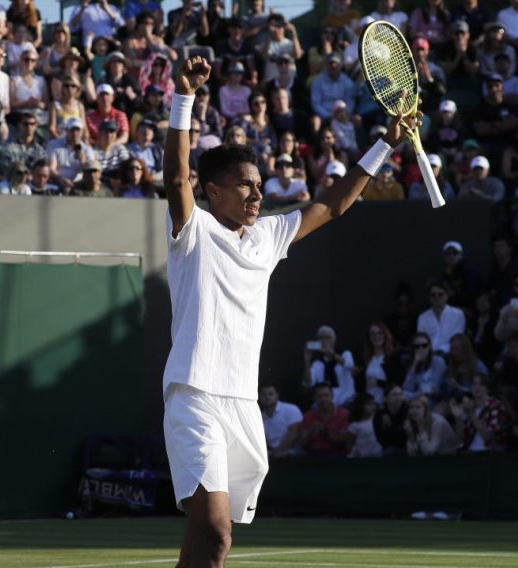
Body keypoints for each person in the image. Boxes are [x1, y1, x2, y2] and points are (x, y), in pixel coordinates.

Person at [160, 56, 410, 566]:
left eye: (258, 184)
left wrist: (386, 142)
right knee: (215, 530)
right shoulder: (194, 230)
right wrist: (184, 98)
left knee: (211, 541)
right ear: (213, 192)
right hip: (194, 394)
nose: (257, 192)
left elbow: (335, 204)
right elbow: (176, 180)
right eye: (244, 185)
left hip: (243, 403)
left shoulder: (269, 236)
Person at [416, 281, 465, 354]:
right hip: (429, 356)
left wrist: (441, 351)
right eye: (433, 295)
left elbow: (458, 339)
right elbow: (421, 341)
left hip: (452, 354)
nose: (437, 297)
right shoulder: (422, 317)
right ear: (429, 298)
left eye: (440, 294)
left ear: (447, 296)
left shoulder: (458, 314)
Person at [257, 383, 302, 457]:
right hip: (271, 453)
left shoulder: (291, 409)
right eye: (263, 394)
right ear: (259, 397)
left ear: (277, 395)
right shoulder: (259, 416)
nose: (267, 397)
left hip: (292, 453)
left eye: (270, 394)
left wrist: (277, 452)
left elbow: (294, 434)